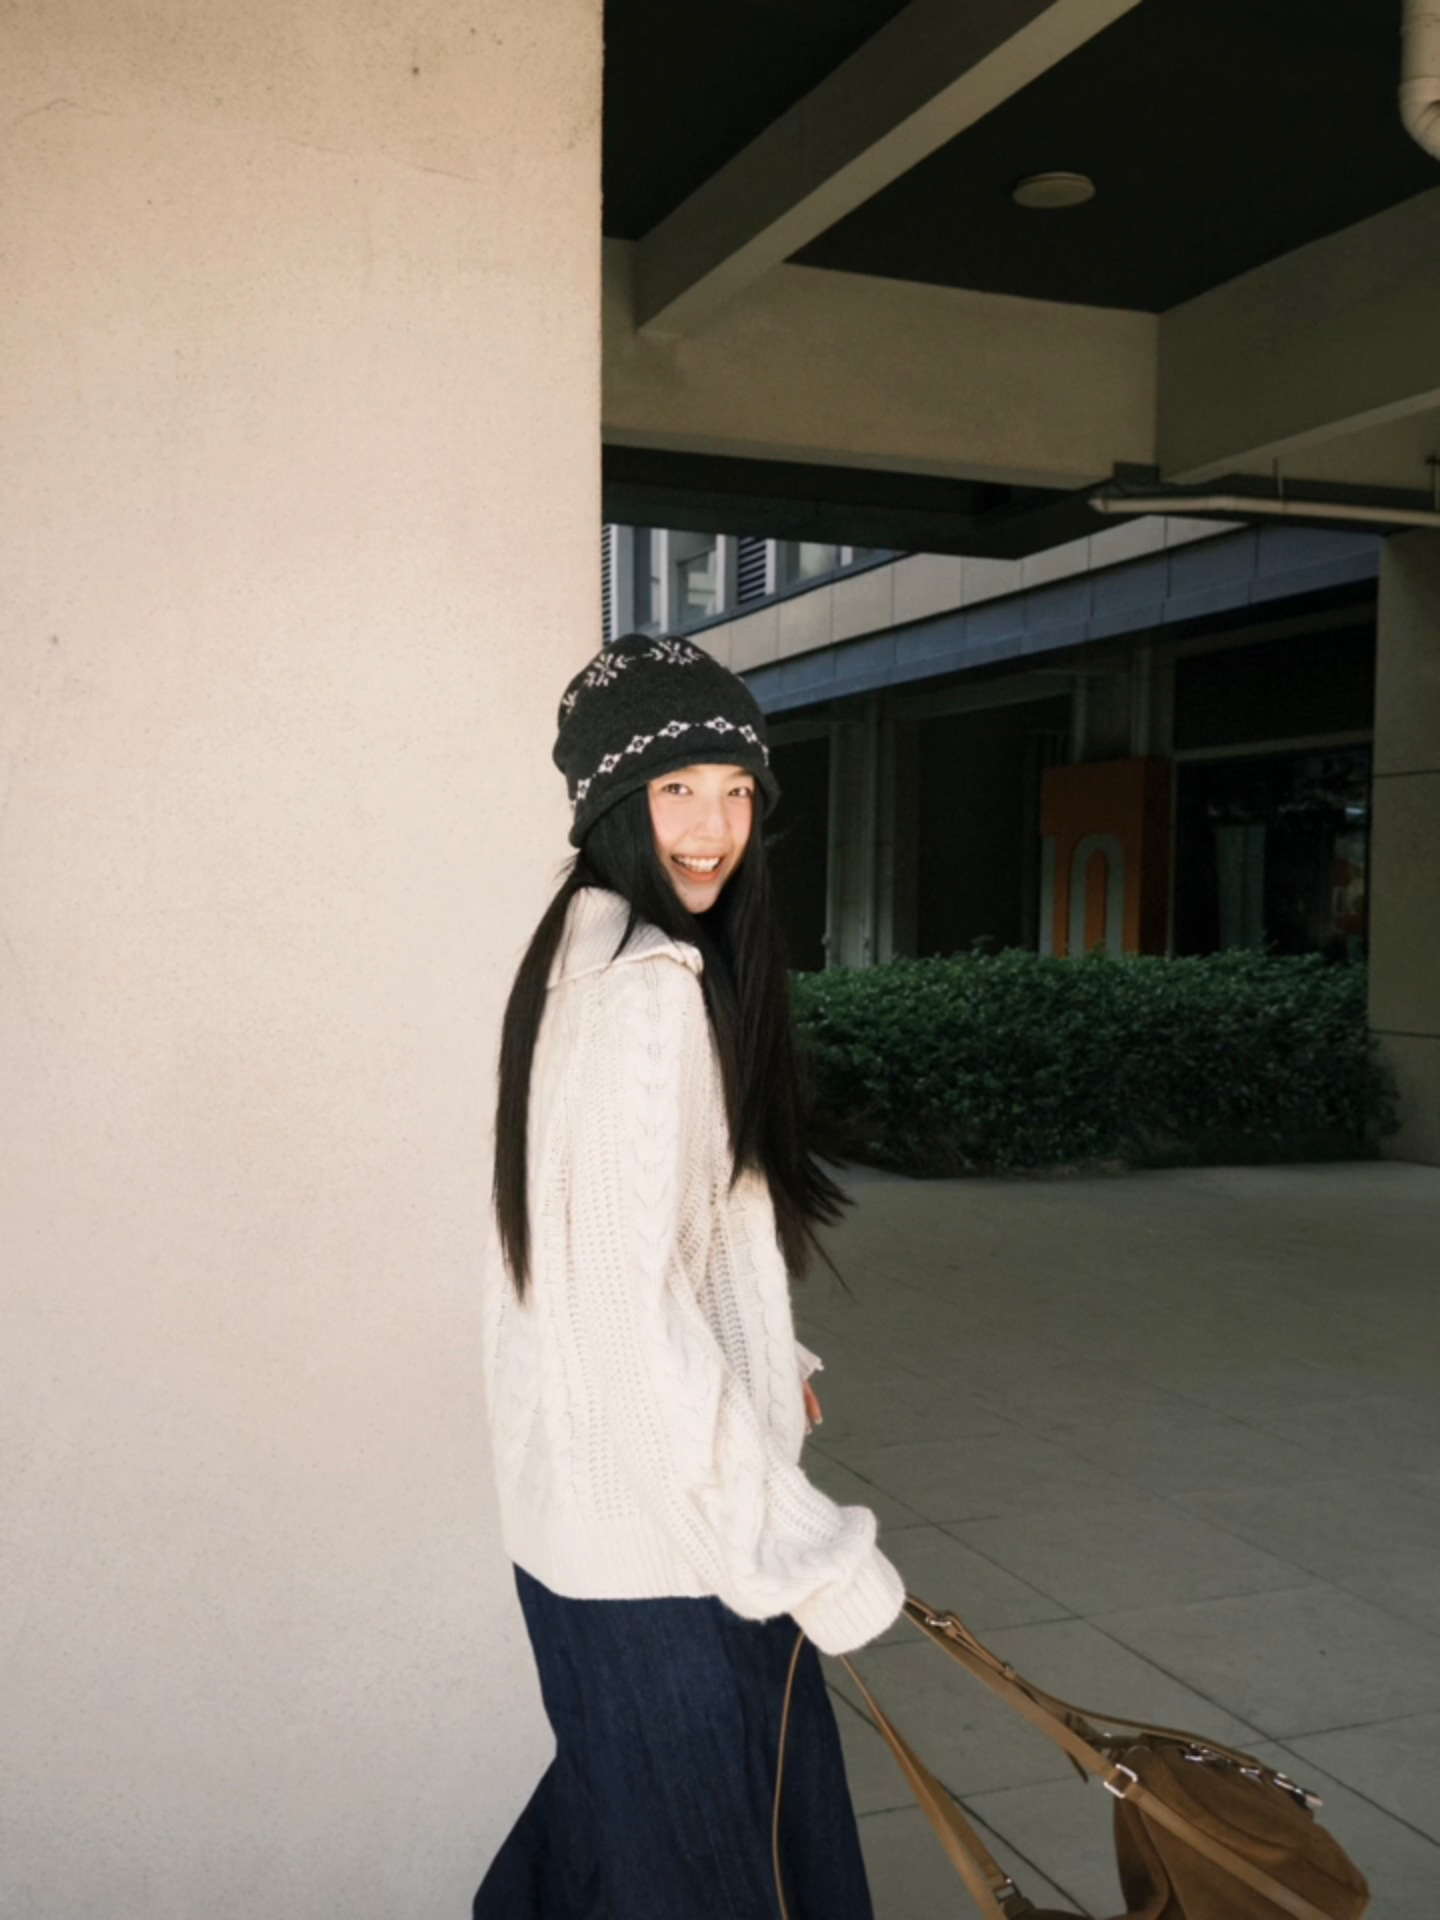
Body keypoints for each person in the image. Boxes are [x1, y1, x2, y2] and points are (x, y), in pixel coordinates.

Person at [475, 632, 904, 1919]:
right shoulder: (647, 989)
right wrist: (804, 1552)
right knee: (740, 1879)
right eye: (676, 790)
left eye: (735, 790)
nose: (713, 828)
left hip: (595, 1531)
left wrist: (776, 1359)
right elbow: (624, 1316)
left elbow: (630, 1249)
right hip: (670, 1556)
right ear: (615, 803)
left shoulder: (586, 950)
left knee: (603, 1860)